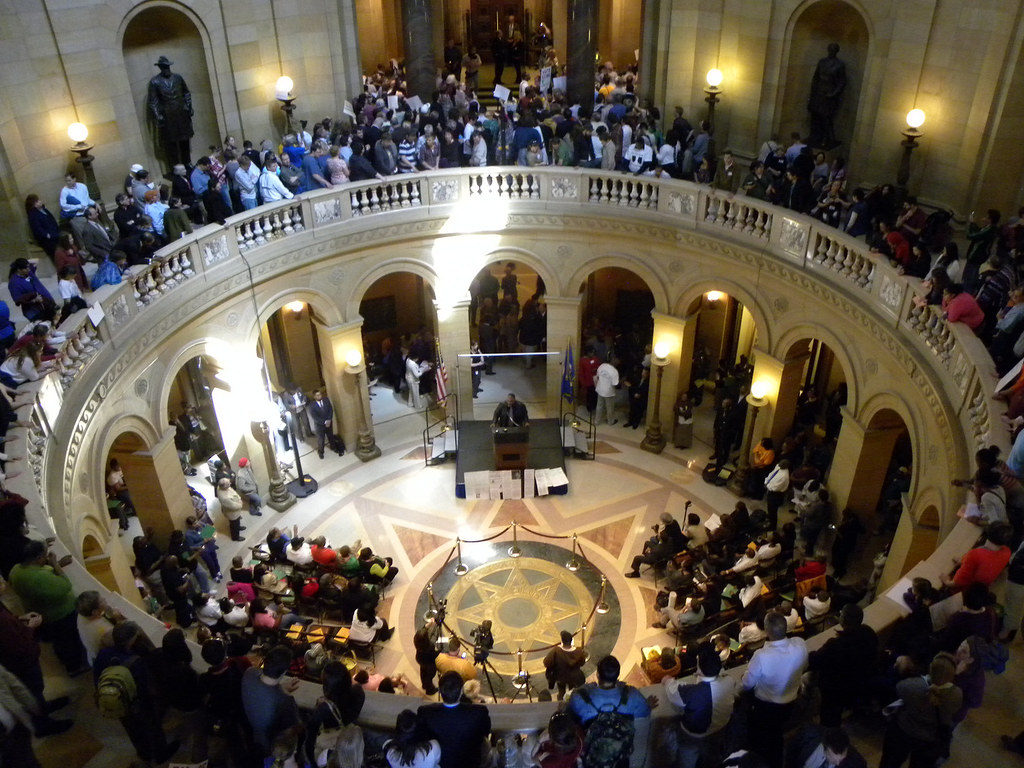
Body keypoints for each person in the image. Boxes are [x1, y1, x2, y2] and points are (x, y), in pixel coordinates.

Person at [94, 621, 180, 764]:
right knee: (153, 728)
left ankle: (144, 753)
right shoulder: (135, 661)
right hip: (139, 705)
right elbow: (146, 687)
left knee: (133, 731)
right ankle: (161, 754)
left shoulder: (104, 653)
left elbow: (97, 676)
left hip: (117, 700)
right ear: (131, 640)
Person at [742, 611, 808, 768]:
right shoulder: (800, 644)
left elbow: (747, 684)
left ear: (766, 630)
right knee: (776, 731)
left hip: (766, 706)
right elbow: (804, 667)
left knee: (764, 738)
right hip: (790, 701)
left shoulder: (761, 655)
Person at [9, 540, 85, 674]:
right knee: (68, 642)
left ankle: (67, 661)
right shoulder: (38, 578)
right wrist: (55, 564)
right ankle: (75, 668)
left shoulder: (16, 570)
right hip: (59, 615)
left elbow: (46, 574)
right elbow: (65, 585)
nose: (47, 557)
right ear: (38, 558)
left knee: (59, 641)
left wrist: (58, 564)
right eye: (45, 555)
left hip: (41, 611)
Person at [567, 655, 656, 768]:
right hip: (620, 757)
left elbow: (570, 715)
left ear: (597, 674)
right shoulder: (632, 695)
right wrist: (646, 703)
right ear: (618, 675)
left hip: (593, 754)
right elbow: (645, 711)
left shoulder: (580, 697)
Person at [878, 652, 961, 768]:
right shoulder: (956, 694)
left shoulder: (913, 686)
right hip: (929, 739)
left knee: (890, 762)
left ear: (931, 668)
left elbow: (899, 688)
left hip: (904, 730)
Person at [662, 644, 739, 768]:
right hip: (720, 729)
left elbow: (673, 694)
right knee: (710, 757)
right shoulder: (729, 681)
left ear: (699, 668)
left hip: (694, 736)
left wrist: (667, 681)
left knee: (687, 759)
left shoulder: (692, 692)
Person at [808, 603, 878, 726]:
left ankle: (829, 735)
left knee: (830, 715)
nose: (839, 614)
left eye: (841, 613)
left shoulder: (836, 645)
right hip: (858, 681)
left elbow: (814, 661)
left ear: (844, 619)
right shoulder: (869, 633)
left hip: (836, 688)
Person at [416, 670, 491, 768]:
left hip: (441, 762)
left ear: (441, 692)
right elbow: (485, 732)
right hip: (471, 762)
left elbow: (422, 735)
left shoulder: (425, 712)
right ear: (461, 692)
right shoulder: (479, 712)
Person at [241, 644, 301, 760]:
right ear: (284, 672)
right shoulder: (285, 701)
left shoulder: (249, 673)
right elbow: (293, 729)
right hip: (270, 745)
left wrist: (281, 688)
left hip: (250, 733)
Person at [148, 56, 194, 166]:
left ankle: (187, 162)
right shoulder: (155, 82)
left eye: (167, 66)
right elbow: (153, 101)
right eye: (164, 67)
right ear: (160, 68)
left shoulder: (178, 78)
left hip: (181, 114)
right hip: (168, 116)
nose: (166, 69)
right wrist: (157, 115)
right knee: (171, 143)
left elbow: (186, 93)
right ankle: (175, 166)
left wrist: (189, 106)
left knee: (185, 140)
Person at [543, 630, 586, 701]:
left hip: (560, 676)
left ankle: (561, 703)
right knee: (573, 691)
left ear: (562, 641)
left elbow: (546, 662)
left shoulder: (556, 651)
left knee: (561, 692)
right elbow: (582, 663)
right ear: (571, 640)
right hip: (575, 677)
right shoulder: (579, 651)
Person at [308, 388, 345, 459]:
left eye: (320, 394)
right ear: (314, 397)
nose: (319, 396)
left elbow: (330, 410)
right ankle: (321, 452)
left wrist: (329, 420)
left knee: (330, 436)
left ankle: (333, 447)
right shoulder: (312, 406)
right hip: (319, 425)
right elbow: (315, 417)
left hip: (328, 422)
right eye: (317, 395)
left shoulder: (326, 400)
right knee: (321, 439)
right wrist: (324, 422)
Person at [216, 477, 246, 542]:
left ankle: (238, 527)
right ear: (224, 486)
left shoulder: (221, 487)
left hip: (235, 505)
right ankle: (235, 537)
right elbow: (233, 506)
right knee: (234, 524)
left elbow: (233, 492)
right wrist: (240, 504)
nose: (230, 483)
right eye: (228, 483)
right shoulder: (225, 498)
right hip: (232, 513)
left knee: (237, 522)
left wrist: (238, 498)